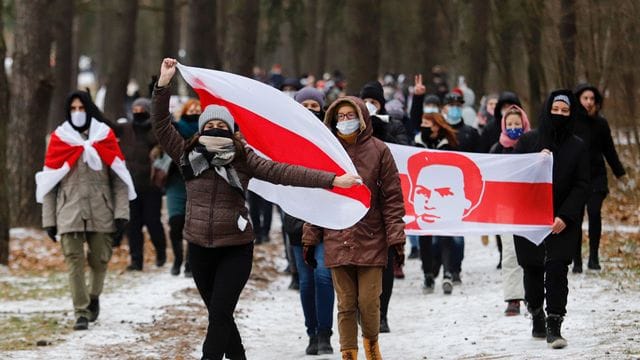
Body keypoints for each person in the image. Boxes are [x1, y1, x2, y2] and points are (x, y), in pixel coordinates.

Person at [152, 58, 360, 360]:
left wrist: (333, 180)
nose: (215, 129)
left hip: (235, 248)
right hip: (198, 246)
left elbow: (283, 172)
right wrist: (163, 84)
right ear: (200, 129)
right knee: (218, 314)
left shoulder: (243, 157)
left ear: (232, 130)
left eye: (221, 125)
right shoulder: (187, 154)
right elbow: (161, 124)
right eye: (209, 125)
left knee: (220, 312)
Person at [303, 96, 406, 359]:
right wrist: (310, 237)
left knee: (369, 302)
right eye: (341, 116)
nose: (345, 121)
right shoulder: (326, 150)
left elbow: (392, 198)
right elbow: (317, 197)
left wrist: (396, 238)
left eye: (351, 116)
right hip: (337, 235)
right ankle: (348, 352)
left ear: (361, 119)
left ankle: (372, 345)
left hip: (371, 236)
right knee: (346, 303)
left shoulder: (380, 150)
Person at [38, 91, 133, 330]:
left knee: (100, 260)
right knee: (74, 262)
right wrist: (49, 220)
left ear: (89, 109)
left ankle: (93, 296)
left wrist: (121, 213)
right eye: (73, 109)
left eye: (81, 108)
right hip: (68, 211)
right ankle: (80, 311)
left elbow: (120, 178)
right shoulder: (60, 139)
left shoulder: (104, 136)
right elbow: (49, 183)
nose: (77, 113)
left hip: (102, 209)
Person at [514, 90, 589, 349]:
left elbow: (582, 184)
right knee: (532, 267)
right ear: (547, 110)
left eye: (564, 111)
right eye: (555, 109)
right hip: (530, 217)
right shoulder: (528, 142)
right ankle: (536, 312)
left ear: (571, 114)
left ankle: (554, 324)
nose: (559, 114)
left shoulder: (578, 146)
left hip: (562, 219)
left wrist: (566, 216)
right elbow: (514, 178)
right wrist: (535, 162)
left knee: (557, 268)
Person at [287, 87, 335, 355]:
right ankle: (312, 332)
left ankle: (326, 333)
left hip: (327, 218)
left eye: (314, 105)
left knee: (323, 276)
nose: (309, 110)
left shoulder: (331, 138)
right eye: (304, 105)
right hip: (297, 219)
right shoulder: (286, 137)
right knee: (306, 281)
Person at [359, 80, 408, 334]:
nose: (370, 106)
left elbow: (404, 151)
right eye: (366, 101)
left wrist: (381, 129)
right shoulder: (352, 127)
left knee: (386, 263)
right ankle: (363, 310)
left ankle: (382, 313)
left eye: (374, 102)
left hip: (385, 204)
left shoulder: (394, 125)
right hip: (360, 204)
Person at [572, 84, 626, 272]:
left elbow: (609, 150)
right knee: (575, 218)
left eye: (592, 99)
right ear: (578, 99)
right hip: (575, 177)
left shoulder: (600, 123)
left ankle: (593, 257)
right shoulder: (570, 122)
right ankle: (576, 259)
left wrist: (620, 173)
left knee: (594, 213)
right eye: (585, 98)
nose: (588, 102)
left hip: (596, 176)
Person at [114, 97, 167, 271]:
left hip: (152, 187)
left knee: (153, 222)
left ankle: (161, 253)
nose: (138, 113)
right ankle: (136, 261)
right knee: (133, 226)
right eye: (135, 110)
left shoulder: (156, 130)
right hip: (131, 188)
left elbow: (165, 124)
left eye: (141, 109)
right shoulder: (126, 130)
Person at [489, 105, 531, 316]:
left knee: (532, 253)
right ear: (503, 126)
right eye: (510, 124)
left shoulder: (534, 144)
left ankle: (533, 296)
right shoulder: (497, 149)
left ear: (524, 124)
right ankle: (513, 297)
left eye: (517, 124)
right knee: (510, 252)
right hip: (505, 207)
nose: (514, 128)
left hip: (529, 206)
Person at [162, 98, 201, 276]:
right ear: (184, 111)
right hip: (176, 182)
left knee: (193, 226)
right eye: (191, 109)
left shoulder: (207, 131)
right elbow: (163, 125)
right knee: (176, 222)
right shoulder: (177, 127)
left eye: (198, 109)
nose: (194, 111)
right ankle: (177, 258)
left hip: (198, 181)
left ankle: (190, 264)